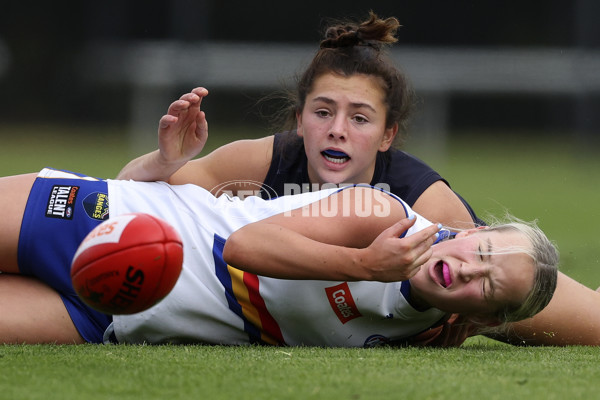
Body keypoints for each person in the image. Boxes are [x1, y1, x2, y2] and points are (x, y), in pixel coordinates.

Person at [116, 12, 600, 347]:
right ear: (299, 119)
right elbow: (129, 208)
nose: (338, 130)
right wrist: (162, 161)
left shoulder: (423, 201)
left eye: (361, 118)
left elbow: (480, 274)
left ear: (388, 135)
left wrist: (467, 323)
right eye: (323, 112)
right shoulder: (254, 162)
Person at [0, 167, 557, 346]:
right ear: (465, 231)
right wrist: (363, 267)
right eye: (481, 250)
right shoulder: (384, 215)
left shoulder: (431, 333)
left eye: (488, 285)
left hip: (115, 315)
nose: (469, 268)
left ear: (482, 318)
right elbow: (244, 248)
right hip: (111, 220)